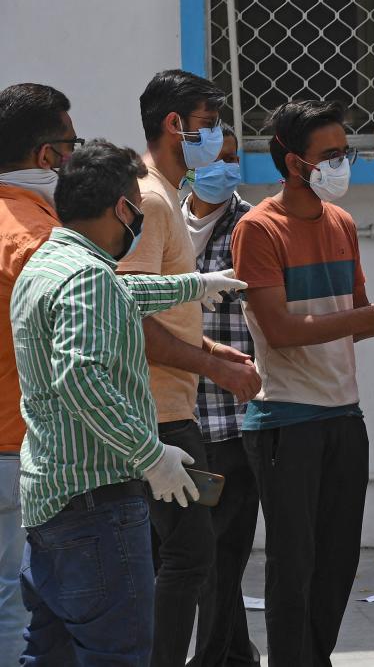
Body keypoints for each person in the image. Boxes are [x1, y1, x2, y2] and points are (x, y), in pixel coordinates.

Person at [13, 140, 244, 664]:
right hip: (96, 508)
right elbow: (81, 377)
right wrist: (150, 455)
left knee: (51, 655)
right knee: (118, 655)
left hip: (51, 502)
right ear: (123, 208)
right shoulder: (88, 276)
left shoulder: (50, 261)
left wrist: (196, 284)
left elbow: (125, 296)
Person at [232, 100, 374, 666]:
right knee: (293, 564)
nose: (343, 163)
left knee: (338, 563)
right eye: (332, 155)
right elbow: (281, 330)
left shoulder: (341, 223)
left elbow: (360, 316)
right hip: (285, 421)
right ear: (295, 164)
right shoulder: (258, 228)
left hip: (345, 416)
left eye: (347, 152)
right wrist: (373, 318)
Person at [119, 69, 261, 667]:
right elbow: (128, 316)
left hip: (173, 409)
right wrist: (214, 367)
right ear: (175, 125)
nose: (217, 138)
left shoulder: (163, 195)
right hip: (159, 417)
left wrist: (212, 350)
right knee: (188, 559)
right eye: (209, 125)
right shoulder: (152, 199)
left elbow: (162, 309)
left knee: (190, 557)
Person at [0, 84, 80, 664]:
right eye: (71, 146)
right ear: (48, 155)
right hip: (17, 445)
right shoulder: (37, 238)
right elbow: (91, 329)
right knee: (19, 603)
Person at [183, 125, 261, 667]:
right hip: (174, 418)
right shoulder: (157, 220)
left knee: (220, 553)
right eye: (218, 158)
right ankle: (236, 654)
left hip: (232, 416)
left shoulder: (248, 226)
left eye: (235, 158)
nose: (227, 169)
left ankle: (213, 657)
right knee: (198, 555)